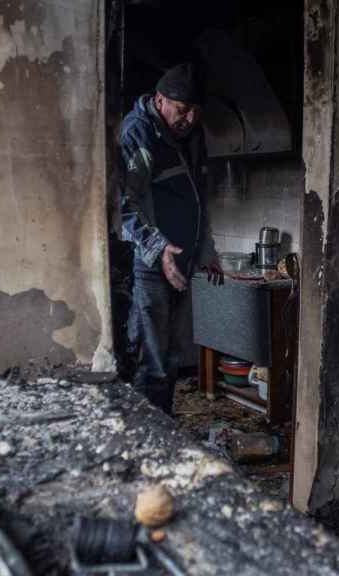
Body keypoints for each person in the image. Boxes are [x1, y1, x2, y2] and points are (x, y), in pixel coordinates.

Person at [119, 63, 222, 414]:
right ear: (160, 100)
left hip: (182, 263)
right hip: (150, 266)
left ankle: (160, 424)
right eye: (182, 110)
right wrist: (157, 247)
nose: (190, 118)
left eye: (196, 111)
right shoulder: (139, 133)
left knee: (172, 356)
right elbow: (123, 205)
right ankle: (151, 439)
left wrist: (206, 248)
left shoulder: (189, 136)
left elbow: (197, 199)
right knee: (154, 361)